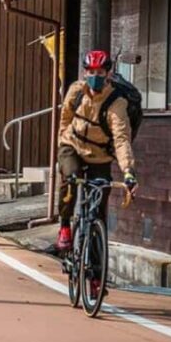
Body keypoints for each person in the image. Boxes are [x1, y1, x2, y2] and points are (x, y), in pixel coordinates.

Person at [56, 50, 139, 251]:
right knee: (70, 177)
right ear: (85, 73)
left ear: (108, 74)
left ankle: (95, 267)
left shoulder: (117, 103)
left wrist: (128, 171)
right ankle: (65, 226)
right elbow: (65, 117)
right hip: (72, 145)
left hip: (100, 155)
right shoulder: (76, 91)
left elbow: (121, 139)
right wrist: (62, 141)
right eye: (91, 72)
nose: (95, 77)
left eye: (100, 72)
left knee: (99, 204)